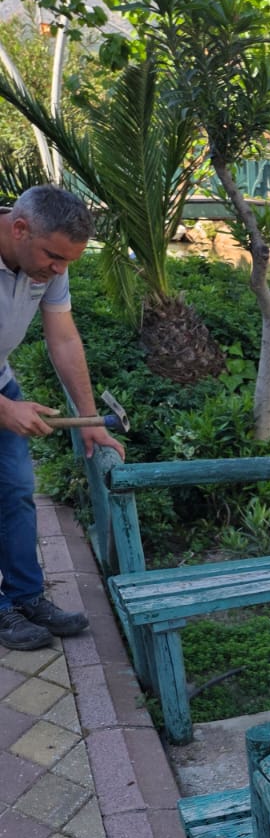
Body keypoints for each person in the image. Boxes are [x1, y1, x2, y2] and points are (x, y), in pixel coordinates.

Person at [0, 185, 125, 652]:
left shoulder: (50, 261)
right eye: (54, 257)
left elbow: (65, 339)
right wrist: (5, 410)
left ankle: (25, 597)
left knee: (15, 493)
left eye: (68, 261)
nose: (58, 270)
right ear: (19, 228)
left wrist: (89, 416)